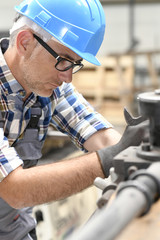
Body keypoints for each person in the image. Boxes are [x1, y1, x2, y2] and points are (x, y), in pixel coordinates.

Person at [0, 0, 147, 239]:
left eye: (74, 64)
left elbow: (94, 129)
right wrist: (110, 159)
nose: (67, 77)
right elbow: (15, 189)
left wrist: (140, 146)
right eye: (63, 60)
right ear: (25, 42)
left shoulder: (47, 83)